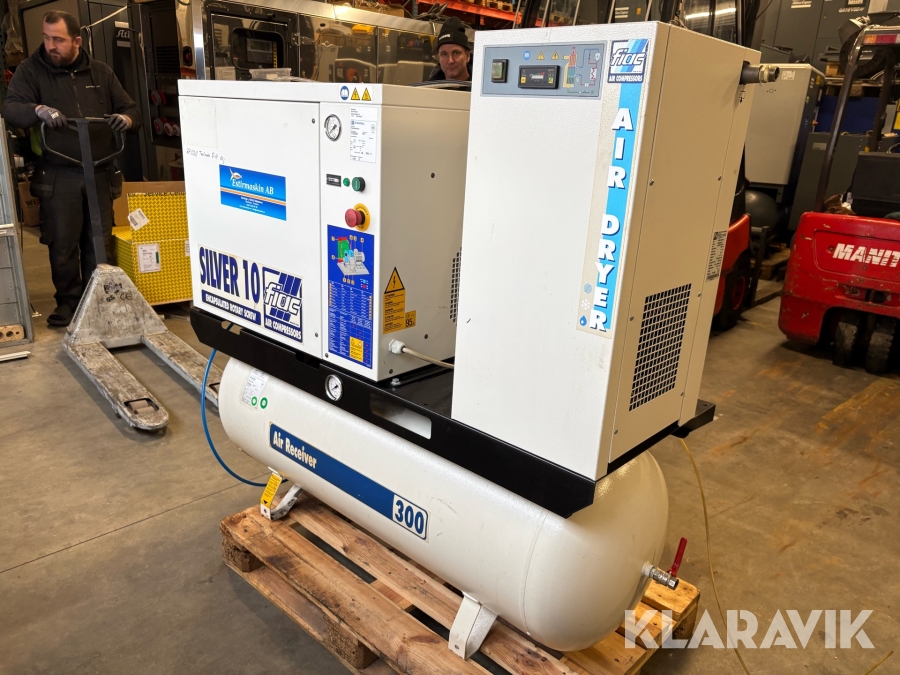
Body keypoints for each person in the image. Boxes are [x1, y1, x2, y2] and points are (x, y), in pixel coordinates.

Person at [2, 10, 140, 327]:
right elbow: (11, 108)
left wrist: (127, 119)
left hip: (100, 171)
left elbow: (130, 108)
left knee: (98, 241)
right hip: (58, 171)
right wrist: (38, 109)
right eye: (46, 37)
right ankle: (68, 302)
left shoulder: (101, 73)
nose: (50, 45)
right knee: (62, 243)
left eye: (58, 39)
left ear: (77, 41)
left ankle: (100, 301)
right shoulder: (30, 71)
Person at [428, 17, 472, 82]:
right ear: (439, 58)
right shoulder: (429, 87)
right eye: (444, 54)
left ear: (467, 56)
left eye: (456, 53)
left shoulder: (482, 86)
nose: (450, 61)